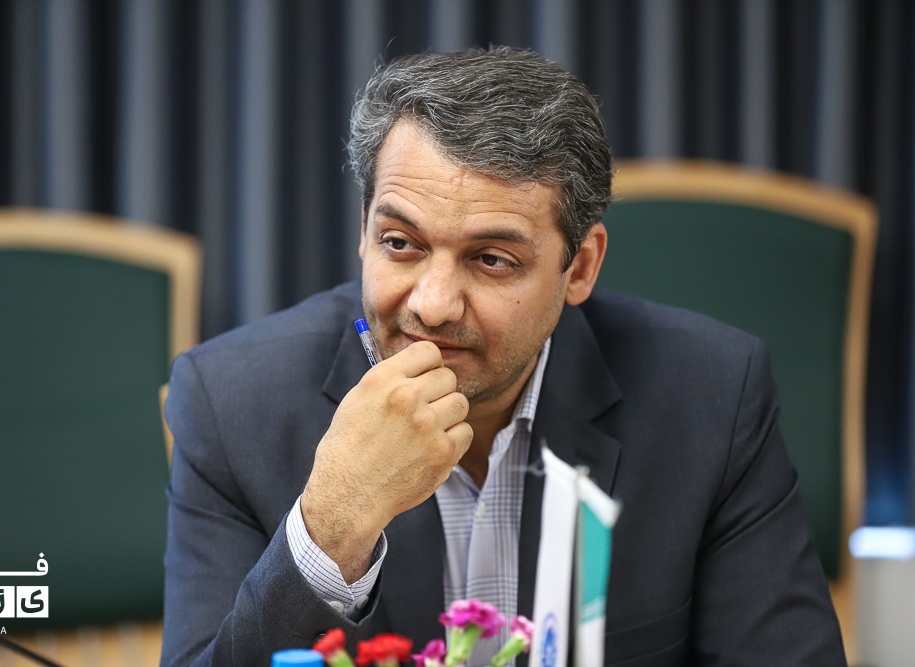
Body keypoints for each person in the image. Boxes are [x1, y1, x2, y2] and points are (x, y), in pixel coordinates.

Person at [160, 47, 846, 667]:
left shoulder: (713, 397)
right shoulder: (231, 403)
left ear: (580, 266)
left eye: (491, 259)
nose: (433, 305)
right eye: (401, 243)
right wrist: (332, 525)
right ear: (364, 233)